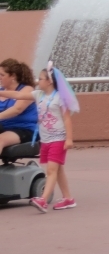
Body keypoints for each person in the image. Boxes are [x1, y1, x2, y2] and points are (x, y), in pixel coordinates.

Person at [29, 65, 76, 212]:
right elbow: (18, 95)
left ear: (49, 81)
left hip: (59, 137)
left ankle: (43, 200)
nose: (38, 81)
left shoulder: (60, 98)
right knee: (58, 169)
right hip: (45, 138)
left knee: (51, 169)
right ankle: (68, 199)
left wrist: (69, 139)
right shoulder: (38, 95)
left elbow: (67, 119)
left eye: (41, 78)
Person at [0, 58, 38, 158]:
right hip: (4, 127)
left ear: (13, 76)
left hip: (23, 129)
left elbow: (17, 110)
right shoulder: (1, 91)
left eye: (2, 75)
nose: (0, 77)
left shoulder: (27, 90)